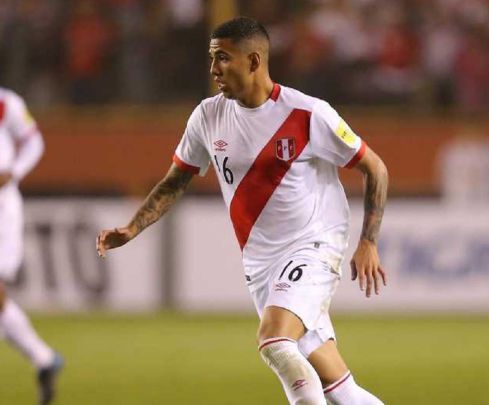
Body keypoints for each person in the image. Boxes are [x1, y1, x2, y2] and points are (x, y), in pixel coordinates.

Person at [96, 16, 388, 405]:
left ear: (253, 61)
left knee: (275, 341)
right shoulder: (208, 116)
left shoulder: (307, 114)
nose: (213, 69)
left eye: (222, 58)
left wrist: (368, 241)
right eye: (212, 58)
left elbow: (375, 167)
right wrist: (132, 228)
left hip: (313, 246)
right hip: (261, 264)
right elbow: (175, 180)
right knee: (340, 388)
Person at [0, 87, 64, 405]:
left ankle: (43, 358)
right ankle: (43, 358)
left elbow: (34, 142)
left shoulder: (5, 104)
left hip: (2, 208)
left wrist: (13, 173)